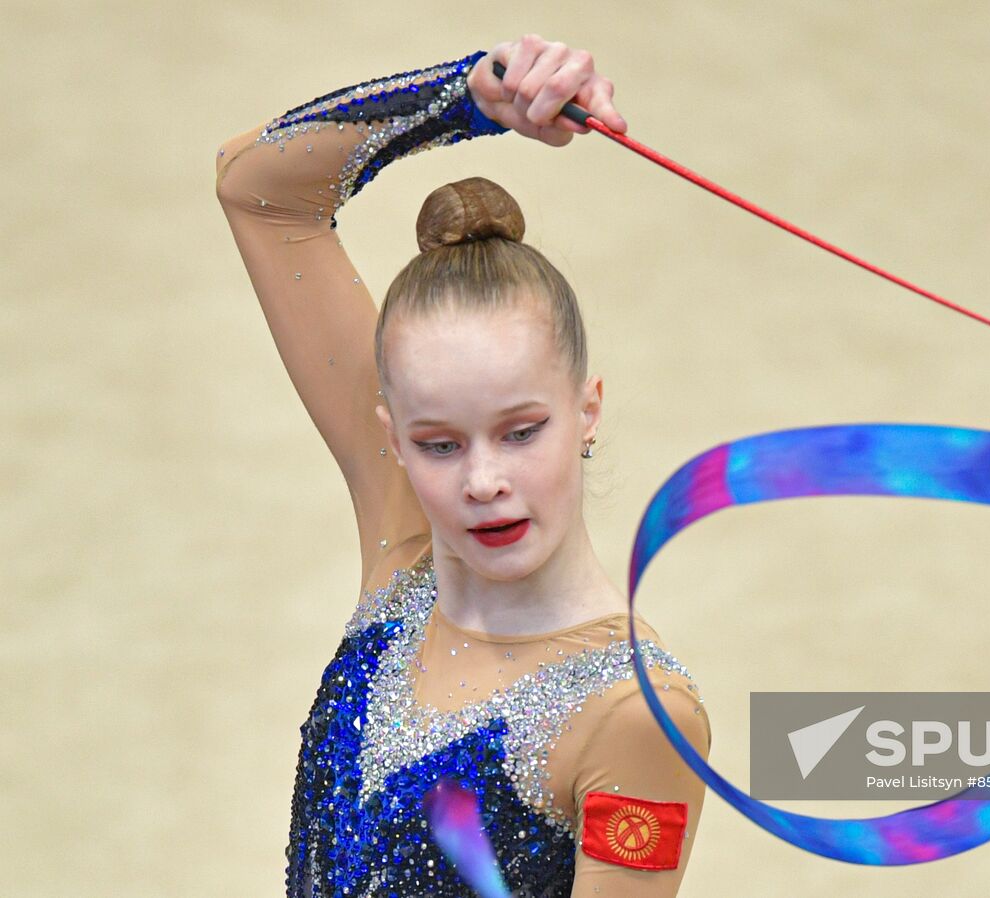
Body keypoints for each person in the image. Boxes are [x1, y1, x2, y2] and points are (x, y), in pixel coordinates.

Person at [214, 34, 711, 898]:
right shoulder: (402, 553)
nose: (483, 480)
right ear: (394, 437)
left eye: (521, 431)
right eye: (440, 445)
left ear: (586, 410)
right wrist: (467, 98)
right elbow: (257, 187)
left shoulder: (635, 716)